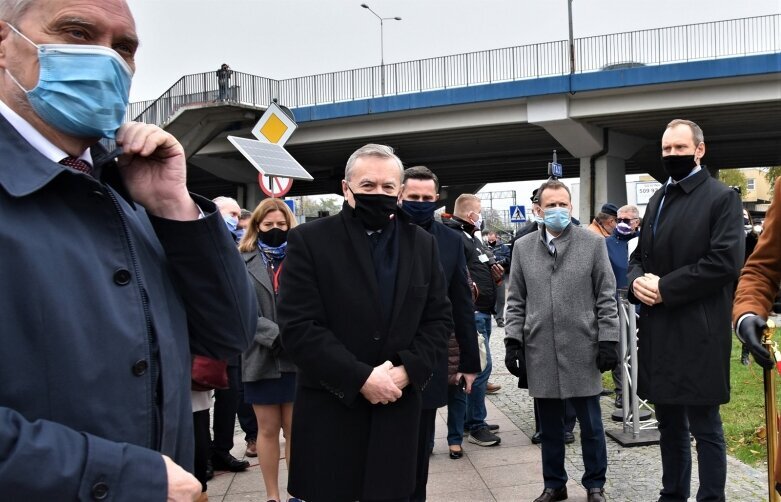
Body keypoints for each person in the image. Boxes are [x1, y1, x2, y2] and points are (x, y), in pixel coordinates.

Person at [0, 1, 257, 499]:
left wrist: (175, 208)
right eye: (76, 33)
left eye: (124, 48)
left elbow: (229, 336)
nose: (106, 59)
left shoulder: (128, 191)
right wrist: (122, 477)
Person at [277, 144, 451, 501]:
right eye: (368, 185)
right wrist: (360, 378)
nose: (379, 194)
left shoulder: (422, 244)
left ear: (399, 193)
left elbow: (437, 319)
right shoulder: (310, 240)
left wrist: (407, 370)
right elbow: (299, 327)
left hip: (397, 409)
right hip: (331, 410)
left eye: (388, 188)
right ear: (346, 187)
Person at [628, 119, 743, 502]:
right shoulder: (659, 198)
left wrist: (665, 288)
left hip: (700, 332)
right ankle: (672, 494)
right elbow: (640, 256)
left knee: (705, 426)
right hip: (660, 330)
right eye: (666, 149)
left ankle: (712, 497)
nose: (672, 155)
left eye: (679, 148)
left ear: (699, 150)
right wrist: (636, 282)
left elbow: (724, 262)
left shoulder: (721, 197)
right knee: (669, 425)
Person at [504, 179, 618, 502]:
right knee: (550, 429)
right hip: (540, 349)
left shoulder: (592, 244)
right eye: (550, 205)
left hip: (583, 348)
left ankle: (595, 484)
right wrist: (513, 341)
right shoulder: (523, 248)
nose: (557, 210)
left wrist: (608, 340)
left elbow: (606, 296)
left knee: (592, 426)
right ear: (538, 210)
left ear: (571, 207)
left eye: (562, 204)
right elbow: (515, 300)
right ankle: (554, 484)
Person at [399, 166, 480, 501]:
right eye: (412, 197)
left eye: (425, 198)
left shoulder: (450, 240)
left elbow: (461, 303)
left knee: (420, 446)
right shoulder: (382, 233)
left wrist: (470, 364)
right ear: (400, 195)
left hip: (430, 355)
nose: (419, 203)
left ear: (436, 199)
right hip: (381, 357)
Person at [239, 198, 299, 502]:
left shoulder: (302, 258)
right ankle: (272, 496)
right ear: (257, 227)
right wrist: (276, 336)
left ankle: (296, 493)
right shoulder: (240, 260)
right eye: (268, 225)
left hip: (298, 357)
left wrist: (297, 335)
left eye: (281, 224)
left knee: (295, 430)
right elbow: (238, 309)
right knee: (267, 429)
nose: (275, 230)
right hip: (259, 356)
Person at [443, 193, 503, 447]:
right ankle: (475, 424)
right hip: (473, 312)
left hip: (482, 310)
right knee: (478, 368)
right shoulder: (456, 236)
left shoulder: (470, 235)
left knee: (481, 367)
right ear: (470, 215)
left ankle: (473, 419)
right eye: (479, 212)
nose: (481, 217)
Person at [605, 204, 641, 408]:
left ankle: (641, 389)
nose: (622, 224)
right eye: (619, 220)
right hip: (617, 306)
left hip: (642, 306)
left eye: (627, 221)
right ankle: (622, 392)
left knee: (641, 351)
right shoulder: (606, 244)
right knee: (620, 353)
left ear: (636, 222)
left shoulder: (644, 242)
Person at [487, 230, 511, 328]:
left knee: (501, 298)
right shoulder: (484, 246)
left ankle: (499, 319)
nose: (491, 240)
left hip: (500, 275)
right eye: (489, 239)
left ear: (496, 238)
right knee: (489, 298)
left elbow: (508, 259)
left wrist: (495, 258)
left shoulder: (503, 247)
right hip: (487, 277)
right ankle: (492, 313)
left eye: (492, 239)